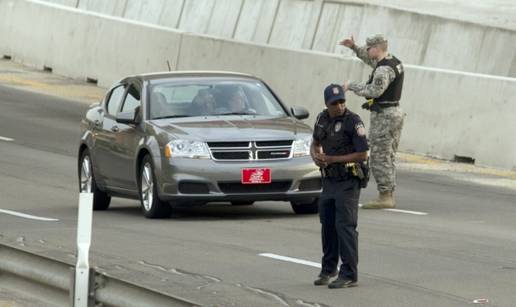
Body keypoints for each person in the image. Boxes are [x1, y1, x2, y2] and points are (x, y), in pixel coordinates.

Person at [311, 84, 368, 289]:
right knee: (328, 224)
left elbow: (363, 153)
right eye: (335, 103)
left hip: (348, 180)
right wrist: (316, 157)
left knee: (345, 226)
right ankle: (328, 269)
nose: (340, 106)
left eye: (342, 101)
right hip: (329, 181)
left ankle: (349, 274)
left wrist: (333, 159)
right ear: (327, 104)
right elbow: (315, 143)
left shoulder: (353, 121)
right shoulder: (322, 119)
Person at [340, 34, 405, 209]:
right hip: (394, 113)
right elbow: (370, 61)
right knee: (388, 155)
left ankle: (385, 196)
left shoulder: (383, 70)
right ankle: (388, 192)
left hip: (385, 116)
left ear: (376, 48)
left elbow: (374, 91)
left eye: (369, 48)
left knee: (379, 156)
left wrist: (351, 85)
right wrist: (354, 47)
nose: (367, 51)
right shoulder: (393, 61)